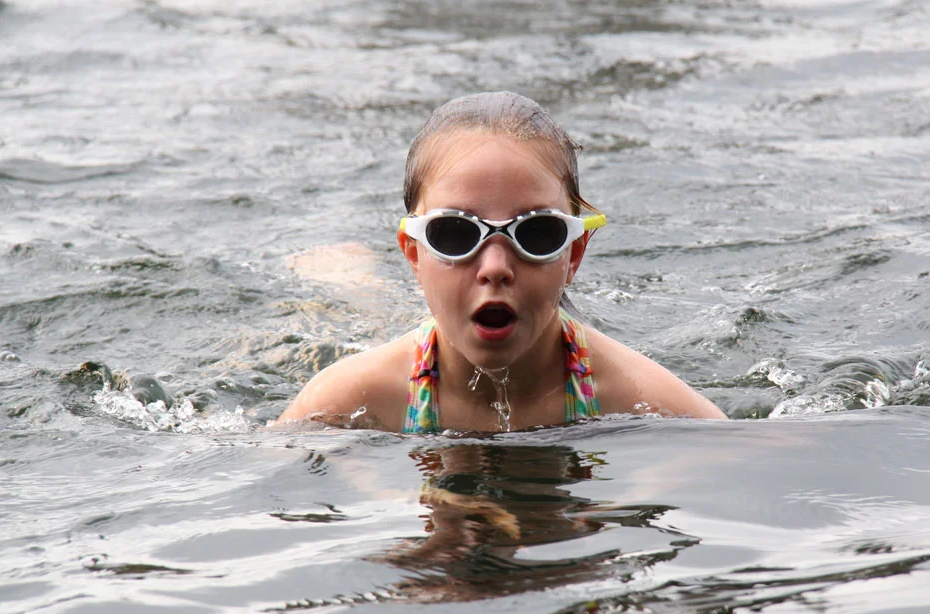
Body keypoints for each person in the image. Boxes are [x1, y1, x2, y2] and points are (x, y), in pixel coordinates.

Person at [278, 91, 726, 432]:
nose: (495, 266)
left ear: (573, 254)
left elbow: (735, 459)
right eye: (454, 234)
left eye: (537, 234)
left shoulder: (636, 395)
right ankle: (353, 281)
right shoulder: (353, 394)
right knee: (371, 322)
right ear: (414, 254)